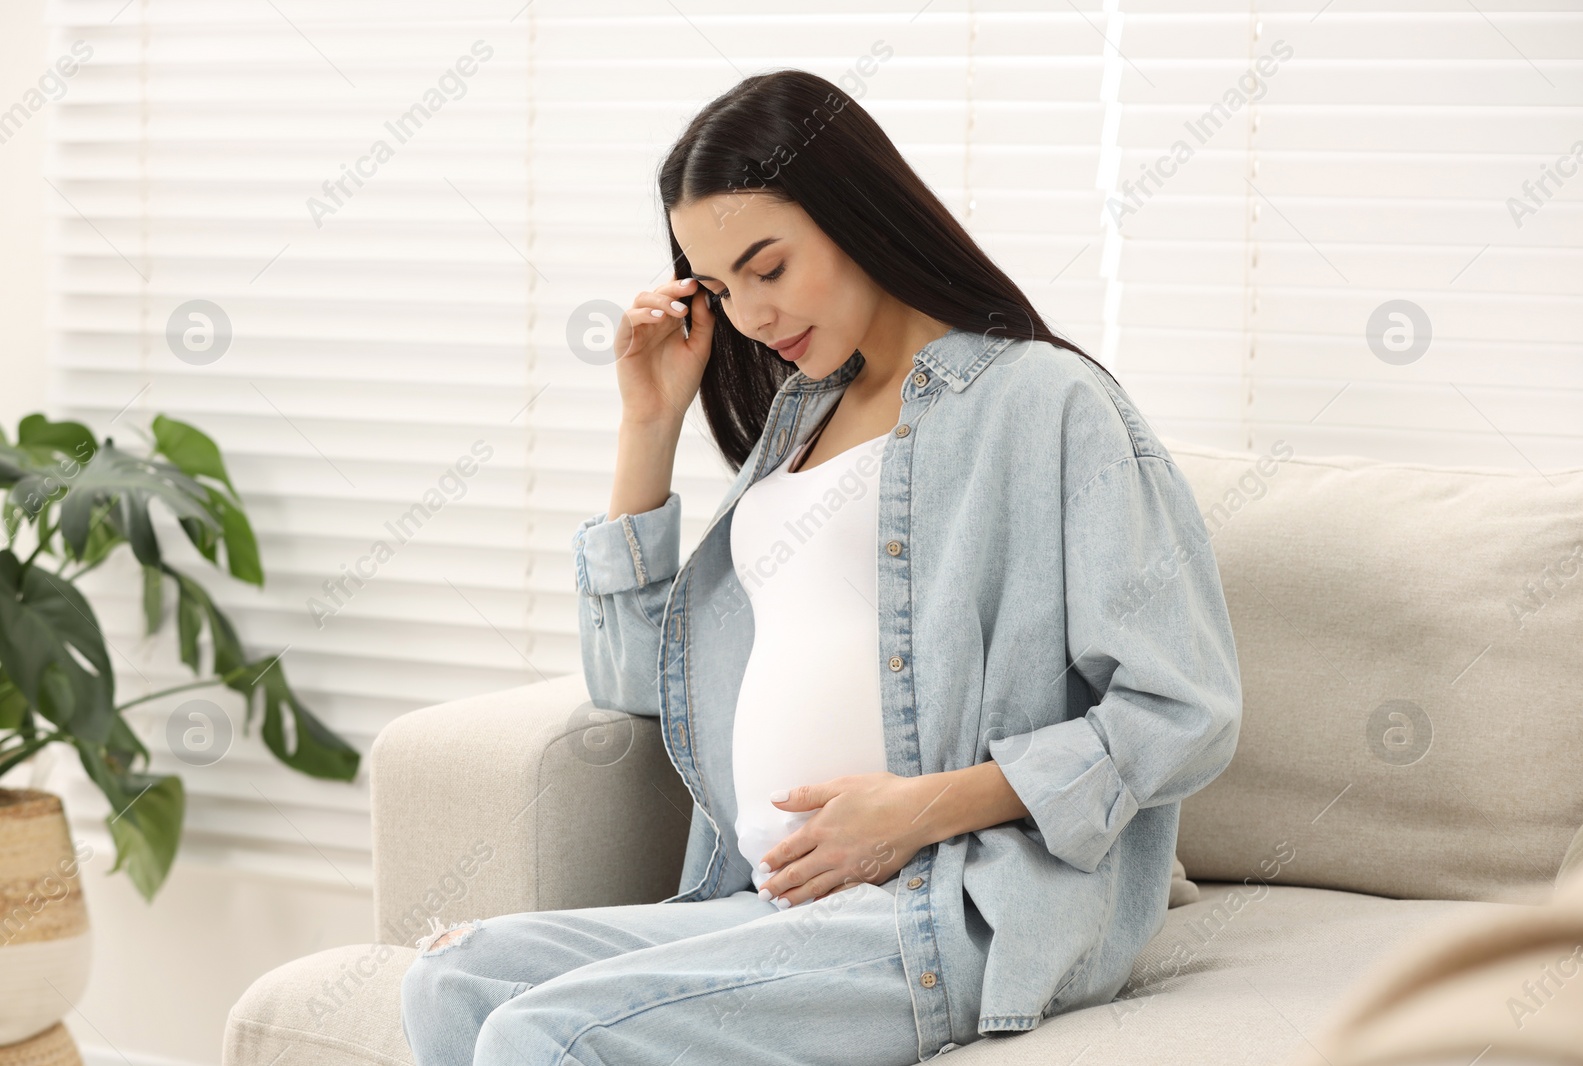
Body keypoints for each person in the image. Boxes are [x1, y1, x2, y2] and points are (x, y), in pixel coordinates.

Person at [400, 67, 1243, 1066]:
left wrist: (911, 812)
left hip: (947, 905)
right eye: (718, 288)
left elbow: (1183, 709)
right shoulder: (800, 421)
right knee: (454, 976)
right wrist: (648, 423)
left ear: (859, 215)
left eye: (768, 267)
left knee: (547, 1036)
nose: (749, 315)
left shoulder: (1045, 403)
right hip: (760, 899)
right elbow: (635, 687)